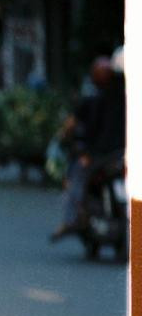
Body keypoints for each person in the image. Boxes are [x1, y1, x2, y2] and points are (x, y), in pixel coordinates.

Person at [50, 55, 126, 242]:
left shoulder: (95, 99)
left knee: (76, 176)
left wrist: (85, 152)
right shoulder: (125, 97)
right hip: (119, 153)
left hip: (100, 155)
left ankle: (70, 219)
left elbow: (73, 125)